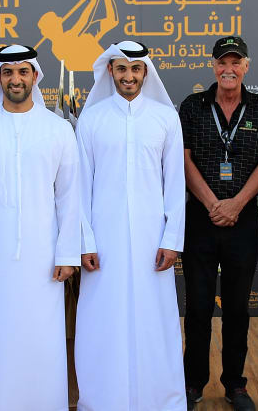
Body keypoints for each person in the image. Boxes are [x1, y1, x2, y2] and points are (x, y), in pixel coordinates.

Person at [0, 44, 81, 411]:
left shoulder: (57, 129)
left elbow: (69, 197)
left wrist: (67, 252)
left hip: (44, 259)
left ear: (35, 77)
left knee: (41, 339)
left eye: (23, 72)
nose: (15, 79)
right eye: (8, 72)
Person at [74, 40, 186, 411]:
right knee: (101, 321)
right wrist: (85, 241)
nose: (128, 76)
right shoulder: (92, 118)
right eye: (121, 68)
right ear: (110, 71)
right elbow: (80, 186)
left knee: (156, 321)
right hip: (102, 243)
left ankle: (160, 400)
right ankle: (102, 399)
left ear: (145, 73)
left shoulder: (165, 117)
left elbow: (175, 185)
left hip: (152, 242)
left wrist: (172, 239)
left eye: (135, 69)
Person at [180, 36, 258, 411]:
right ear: (214, 66)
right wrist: (212, 203)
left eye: (236, 62)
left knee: (237, 307)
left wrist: (236, 204)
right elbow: (183, 159)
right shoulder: (192, 106)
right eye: (223, 62)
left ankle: (236, 384)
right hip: (201, 220)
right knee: (199, 307)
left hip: (244, 218)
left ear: (247, 67)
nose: (229, 69)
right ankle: (193, 384)